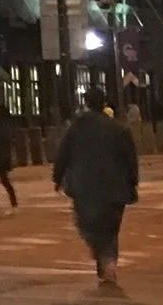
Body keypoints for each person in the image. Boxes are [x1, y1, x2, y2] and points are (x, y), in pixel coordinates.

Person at [53, 88, 140, 286]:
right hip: (115, 188)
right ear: (104, 104)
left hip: (85, 188)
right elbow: (130, 158)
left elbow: (62, 154)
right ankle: (108, 261)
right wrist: (133, 181)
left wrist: (57, 178)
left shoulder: (75, 128)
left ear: (86, 103)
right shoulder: (119, 129)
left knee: (87, 224)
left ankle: (101, 254)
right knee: (110, 228)